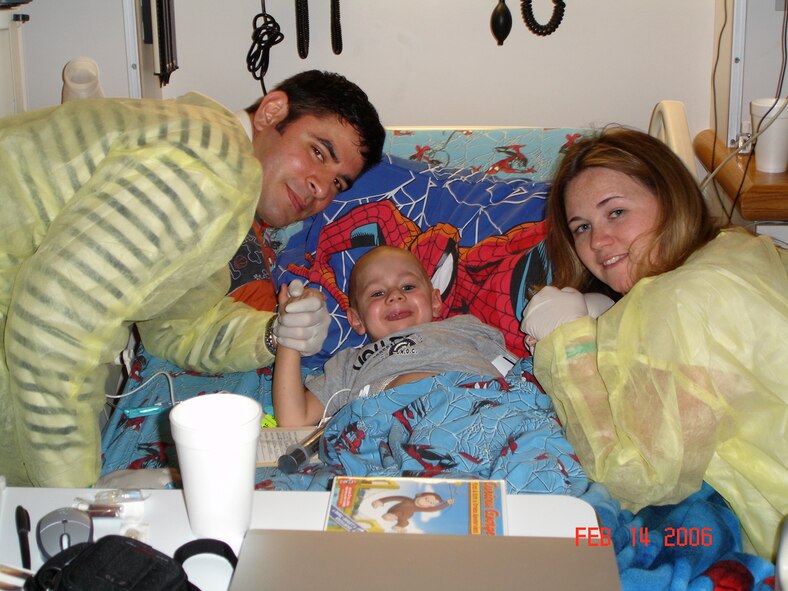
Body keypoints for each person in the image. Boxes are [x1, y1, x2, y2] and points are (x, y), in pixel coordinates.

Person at [0, 69, 385, 487]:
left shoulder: (211, 158)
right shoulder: (209, 170)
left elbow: (174, 325)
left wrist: (275, 332)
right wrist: (76, 499)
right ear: (271, 112)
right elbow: (52, 329)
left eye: (337, 183)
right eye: (318, 152)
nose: (319, 189)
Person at [520, 127, 787, 560]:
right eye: (582, 226)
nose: (598, 242)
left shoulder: (677, 302)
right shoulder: (740, 253)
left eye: (617, 212)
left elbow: (639, 481)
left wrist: (565, 347)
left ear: (671, 198)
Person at [272, 245, 509, 426]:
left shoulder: (465, 328)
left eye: (408, 287)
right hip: (394, 428)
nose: (394, 296)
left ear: (435, 301)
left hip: (483, 409)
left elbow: (517, 376)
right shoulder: (348, 364)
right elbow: (294, 420)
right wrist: (289, 334)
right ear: (356, 319)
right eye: (377, 293)